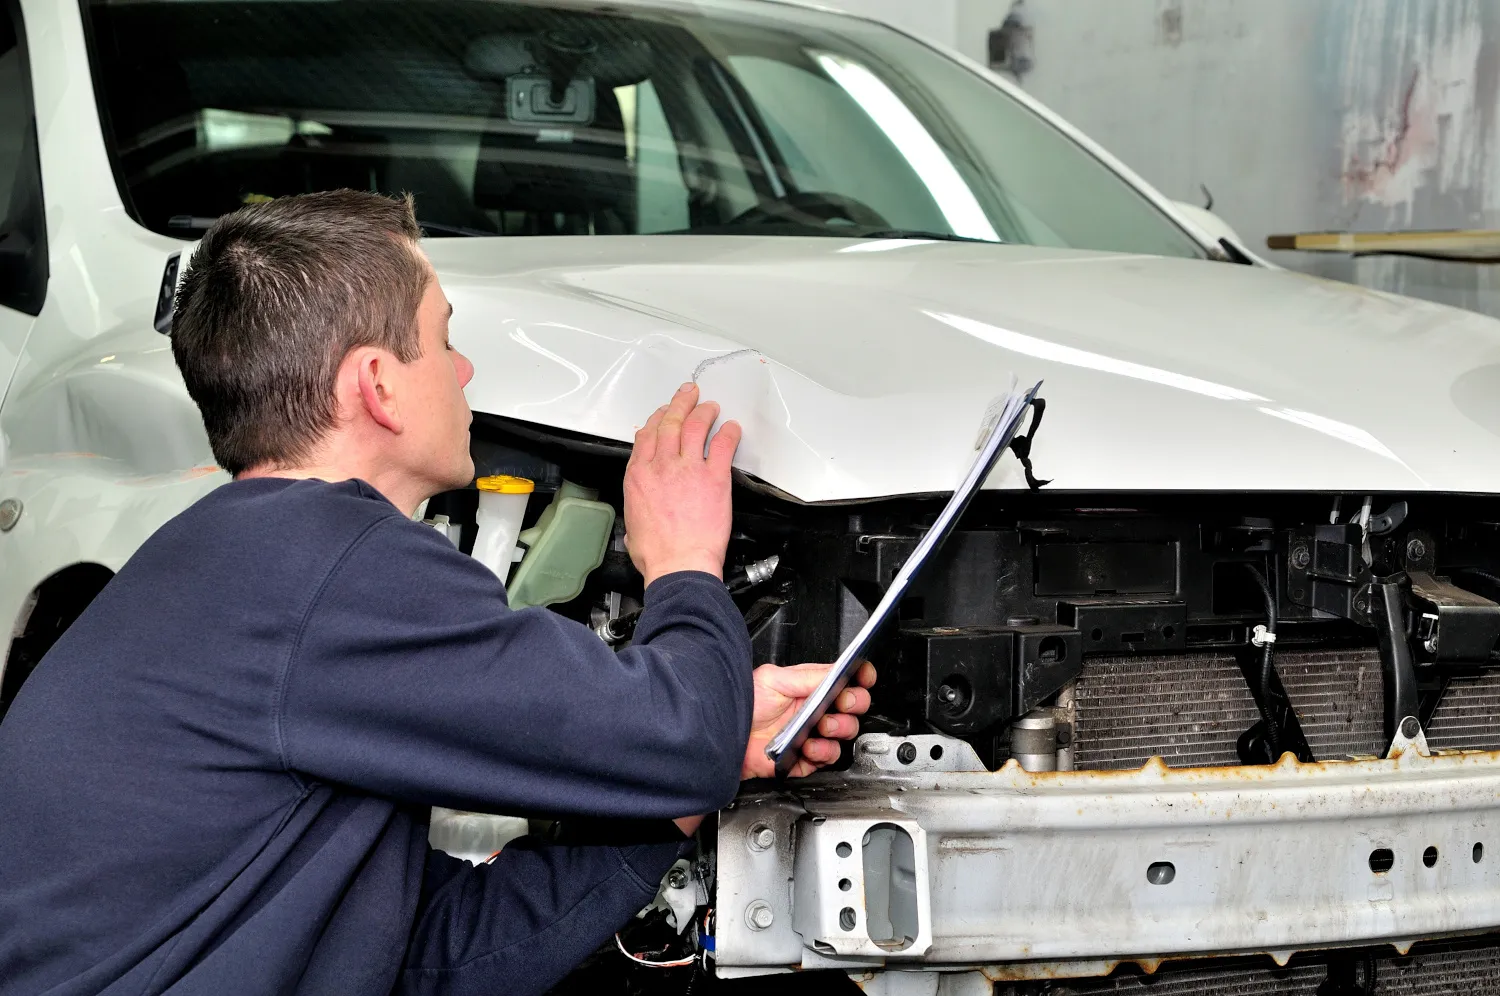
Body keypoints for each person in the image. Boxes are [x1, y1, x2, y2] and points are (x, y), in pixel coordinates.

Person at [0, 190, 875, 996]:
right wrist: (682, 560)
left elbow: (422, 949)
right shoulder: (334, 566)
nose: (462, 375)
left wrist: (693, 773)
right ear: (377, 385)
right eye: (446, 340)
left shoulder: (233, 562)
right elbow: (677, 736)